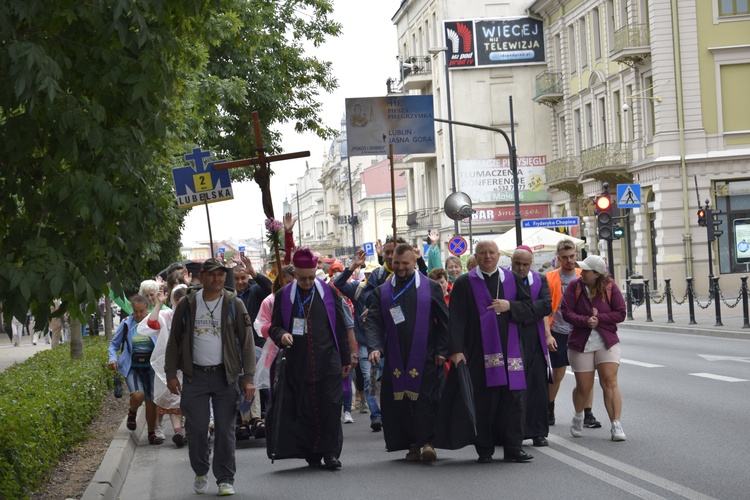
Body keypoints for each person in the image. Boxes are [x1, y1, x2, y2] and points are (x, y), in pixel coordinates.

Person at [165, 258, 256, 496]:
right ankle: (200, 469)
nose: (217, 279)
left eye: (221, 274)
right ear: (202, 276)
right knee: (195, 429)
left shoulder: (234, 304)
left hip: (225, 377)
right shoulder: (187, 303)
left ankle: (225, 478)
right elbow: (174, 340)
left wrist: (249, 378)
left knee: (225, 431)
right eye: (212, 274)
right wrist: (170, 374)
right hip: (194, 376)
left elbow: (247, 344)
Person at [436, 240, 534, 464]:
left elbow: (529, 308)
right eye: (482, 253)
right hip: (478, 351)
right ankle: (485, 448)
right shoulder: (464, 282)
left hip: (511, 352)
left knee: (514, 400)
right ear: (476, 257)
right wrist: (456, 350)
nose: (487, 256)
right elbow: (457, 318)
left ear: (499, 255)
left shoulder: (513, 279)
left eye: (491, 253)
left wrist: (511, 306)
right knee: (485, 402)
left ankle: (513, 448)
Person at [267, 248, 352, 470]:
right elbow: (274, 326)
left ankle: (331, 452)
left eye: (311, 277)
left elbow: (341, 327)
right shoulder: (283, 296)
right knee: (304, 408)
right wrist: (281, 335)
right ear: (295, 274)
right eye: (303, 278)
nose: (307, 282)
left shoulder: (329, 293)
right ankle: (312, 451)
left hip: (328, 361)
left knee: (331, 407)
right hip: (298, 363)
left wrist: (346, 358)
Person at [365, 243, 449, 462]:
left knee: (425, 401)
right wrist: (375, 347)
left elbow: (444, 321)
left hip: (426, 354)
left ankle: (428, 442)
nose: (400, 267)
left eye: (405, 263)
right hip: (395, 356)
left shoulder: (430, 287)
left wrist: (443, 349)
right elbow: (373, 321)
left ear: (414, 262)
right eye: (396, 263)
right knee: (400, 404)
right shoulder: (382, 291)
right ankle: (411, 444)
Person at [561, 254, 627, 442]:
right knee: (584, 386)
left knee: (610, 382)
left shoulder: (610, 288)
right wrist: (584, 321)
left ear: (597, 274)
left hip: (606, 340)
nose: (582, 273)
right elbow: (566, 311)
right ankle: (578, 415)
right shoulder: (575, 286)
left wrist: (600, 319)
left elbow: (621, 313)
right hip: (581, 341)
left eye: (587, 271)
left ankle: (616, 424)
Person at [546, 240, 602, 428]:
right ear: (558, 258)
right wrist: (548, 335)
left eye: (572, 256)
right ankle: (549, 407)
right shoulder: (550, 278)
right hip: (559, 331)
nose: (569, 260)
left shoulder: (584, 275)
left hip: (582, 331)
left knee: (586, 374)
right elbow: (546, 310)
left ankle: (588, 413)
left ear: (577, 255)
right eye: (565, 257)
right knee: (558, 373)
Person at [333, 249, 383, 432]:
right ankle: (376, 415)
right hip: (364, 344)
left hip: (386, 343)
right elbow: (337, 283)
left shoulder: (388, 290)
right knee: (370, 380)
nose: (372, 277)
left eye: (374, 274)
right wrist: (353, 265)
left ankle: (389, 413)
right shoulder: (359, 289)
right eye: (368, 274)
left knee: (386, 380)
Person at [511, 246, 553, 447]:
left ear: (531, 264)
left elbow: (546, 306)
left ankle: (537, 432)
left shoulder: (540, 280)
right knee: (515, 388)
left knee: (537, 387)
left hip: (534, 339)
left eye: (525, 264)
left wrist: (516, 309)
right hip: (511, 338)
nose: (520, 268)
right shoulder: (504, 280)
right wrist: (530, 310)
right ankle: (514, 432)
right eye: (517, 263)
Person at [108, 295, 163, 445]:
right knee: (138, 396)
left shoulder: (154, 323)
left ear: (147, 309)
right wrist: (112, 359)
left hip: (151, 367)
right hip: (133, 367)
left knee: (152, 400)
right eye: (136, 311)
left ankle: (151, 433)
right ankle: (132, 411)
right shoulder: (126, 324)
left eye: (142, 311)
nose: (138, 315)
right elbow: (114, 345)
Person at [138, 284, 188, 447]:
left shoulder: (196, 316)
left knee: (185, 399)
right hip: (169, 365)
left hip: (190, 364)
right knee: (171, 399)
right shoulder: (166, 316)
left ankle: (189, 431)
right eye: (177, 300)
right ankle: (175, 431)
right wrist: (159, 304)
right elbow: (151, 323)